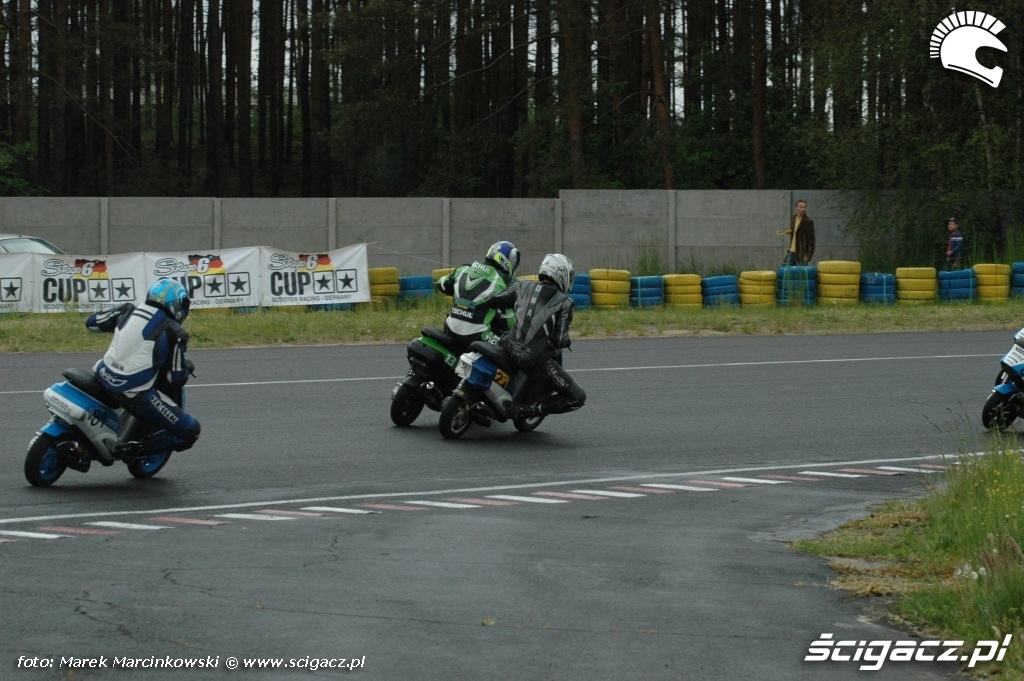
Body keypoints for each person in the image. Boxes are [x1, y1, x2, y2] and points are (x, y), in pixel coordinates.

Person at [59, 279, 201, 469]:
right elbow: (175, 378)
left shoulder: (127, 311)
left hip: (103, 375)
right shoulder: (176, 332)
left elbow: (92, 324)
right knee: (191, 430)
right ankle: (135, 449)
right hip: (134, 394)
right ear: (177, 304)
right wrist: (187, 368)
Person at [477, 253, 586, 418]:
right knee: (578, 396)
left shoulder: (521, 285)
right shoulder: (565, 303)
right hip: (535, 360)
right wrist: (567, 341)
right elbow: (559, 340)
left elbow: (492, 299)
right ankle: (529, 410)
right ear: (563, 275)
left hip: (508, 345)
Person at [435, 241, 520, 354]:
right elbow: (509, 321)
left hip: (449, 330)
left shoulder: (463, 269)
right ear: (509, 261)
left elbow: (441, 284)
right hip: (476, 336)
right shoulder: (504, 282)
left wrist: (463, 296)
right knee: (512, 350)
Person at [779, 198, 816, 266]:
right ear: (796, 207)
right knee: (786, 270)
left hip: (801, 254)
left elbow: (811, 241)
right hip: (791, 252)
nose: (803, 209)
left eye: (804, 207)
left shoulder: (808, 222)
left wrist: (808, 255)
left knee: (799, 272)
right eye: (801, 207)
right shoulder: (794, 218)